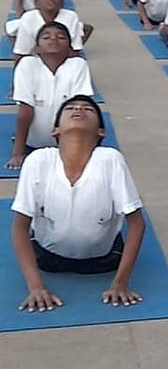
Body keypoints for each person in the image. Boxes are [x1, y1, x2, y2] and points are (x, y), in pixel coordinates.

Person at [9, 95, 146, 312]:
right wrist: (36, 287)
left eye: (87, 109)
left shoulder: (110, 159)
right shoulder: (38, 161)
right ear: (55, 131)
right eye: (70, 108)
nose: (78, 109)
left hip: (104, 260)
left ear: (101, 132)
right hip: (46, 258)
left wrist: (120, 283)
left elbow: (137, 223)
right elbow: (19, 228)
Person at [6, 23, 94, 170]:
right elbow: (25, 110)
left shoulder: (78, 65)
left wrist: (80, 148)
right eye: (46, 37)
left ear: (70, 48)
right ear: (37, 48)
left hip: (69, 143)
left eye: (61, 37)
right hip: (33, 143)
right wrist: (18, 153)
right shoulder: (27, 64)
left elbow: (80, 107)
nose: (53, 40)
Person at [11, 0, 88, 66]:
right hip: (36, 62)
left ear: (62, 1)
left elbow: (75, 50)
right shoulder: (28, 18)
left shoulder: (71, 17)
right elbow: (21, 52)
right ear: (36, 3)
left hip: (63, 62)